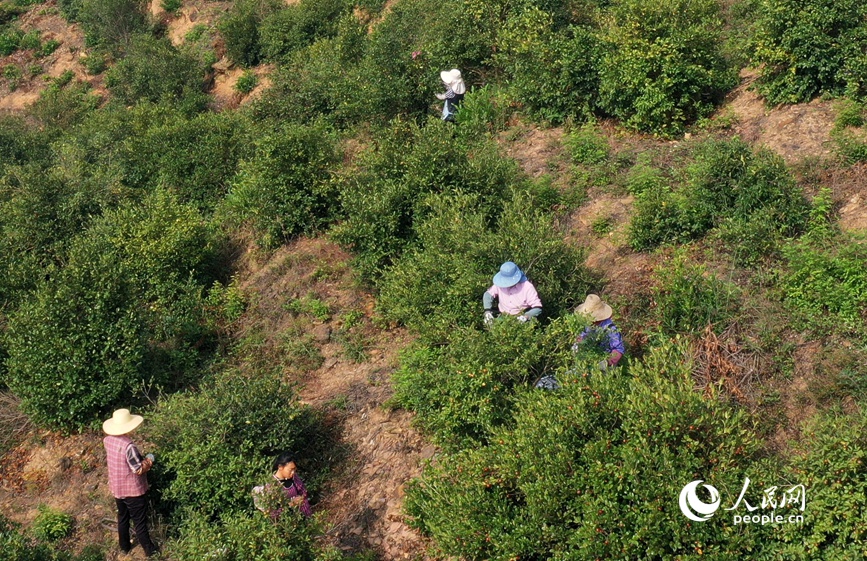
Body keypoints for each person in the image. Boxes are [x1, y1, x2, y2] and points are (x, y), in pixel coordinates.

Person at [103, 408, 158, 558]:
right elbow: (138, 469)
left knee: (123, 517)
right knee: (139, 523)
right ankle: (150, 551)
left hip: (117, 488)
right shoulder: (129, 447)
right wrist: (149, 460)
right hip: (133, 491)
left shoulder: (108, 440)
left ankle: (125, 547)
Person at [573, 294, 625, 369]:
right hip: (588, 360)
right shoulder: (587, 325)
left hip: (606, 365)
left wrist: (606, 362)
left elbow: (618, 350)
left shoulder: (610, 329)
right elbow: (582, 337)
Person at [253, 452, 312, 518]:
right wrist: (290, 504)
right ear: (280, 467)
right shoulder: (272, 486)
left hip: (306, 517)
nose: (293, 472)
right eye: (291, 470)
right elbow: (273, 513)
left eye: (294, 469)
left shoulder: (294, 478)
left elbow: (303, 492)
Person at [483, 261, 542, 326]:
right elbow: (488, 294)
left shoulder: (527, 287)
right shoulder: (500, 283)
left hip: (521, 318)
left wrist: (525, 317)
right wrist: (487, 311)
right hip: (503, 316)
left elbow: (537, 308)